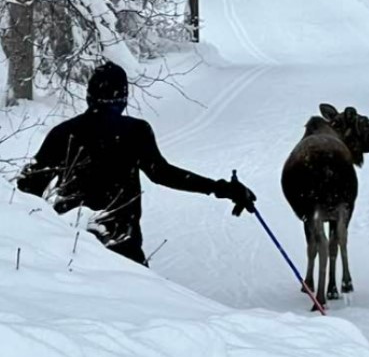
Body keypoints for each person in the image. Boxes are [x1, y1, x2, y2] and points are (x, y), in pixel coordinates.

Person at [16, 61, 256, 266]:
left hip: (70, 244)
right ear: (123, 97)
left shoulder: (63, 133)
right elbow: (163, 174)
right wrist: (220, 188)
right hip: (122, 241)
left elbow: (27, 188)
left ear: (89, 95)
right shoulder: (135, 131)